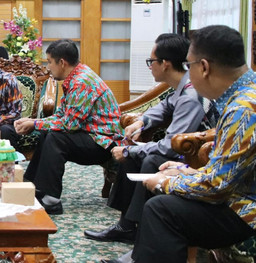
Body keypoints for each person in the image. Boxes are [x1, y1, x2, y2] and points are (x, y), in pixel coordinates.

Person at [103, 25, 256, 263]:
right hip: (238, 194)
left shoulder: (242, 110)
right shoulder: (247, 93)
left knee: (161, 208)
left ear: (204, 67)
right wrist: (186, 170)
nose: (188, 74)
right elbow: (229, 169)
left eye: (189, 65)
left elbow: (217, 188)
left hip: (246, 211)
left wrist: (168, 182)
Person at [84, 34, 218, 244]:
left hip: (198, 158)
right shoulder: (183, 87)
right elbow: (165, 106)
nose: (150, 66)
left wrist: (129, 150)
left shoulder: (191, 97)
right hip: (184, 150)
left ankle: (140, 230)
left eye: (151, 61)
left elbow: (169, 147)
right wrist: (142, 121)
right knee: (133, 157)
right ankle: (126, 225)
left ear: (165, 64)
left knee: (149, 159)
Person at [14, 39, 123, 215]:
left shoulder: (81, 82)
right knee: (46, 132)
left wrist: (34, 123)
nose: (48, 67)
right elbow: (62, 115)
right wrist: (36, 124)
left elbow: (70, 124)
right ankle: (33, 186)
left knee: (57, 138)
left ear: (62, 62)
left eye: (49, 62)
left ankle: (52, 199)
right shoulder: (76, 77)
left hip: (104, 143)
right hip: (90, 135)